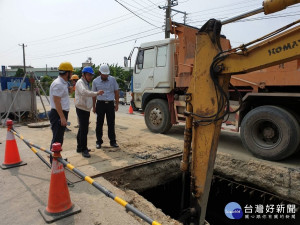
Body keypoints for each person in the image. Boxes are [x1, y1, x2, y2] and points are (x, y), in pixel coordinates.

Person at [75, 66, 104, 158]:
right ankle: (84, 149)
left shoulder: (86, 83)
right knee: (84, 130)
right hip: (81, 109)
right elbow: (84, 92)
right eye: (88, 75)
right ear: (83, 75)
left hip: (85, 109)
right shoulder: (80, 82)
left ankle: (79, 147)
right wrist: (96, 93)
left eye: (91, 75)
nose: (90, 77)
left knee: (82, 129)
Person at [49, 62, 73, 164]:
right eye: (71, 72)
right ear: (67, 73)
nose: (72, 74)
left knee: (59, 138)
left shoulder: (63, 83)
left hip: (60, 113)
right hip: (58, 113)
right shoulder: (58, 84)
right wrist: (62, 117)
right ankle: (54, 161)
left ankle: (57, 158)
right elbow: (57, 102)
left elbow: (61, 97)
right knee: (57, 139)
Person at [92, 64, 119, 149]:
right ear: (100, 73)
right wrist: (94, 106)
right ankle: (99, 141)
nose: (105, 76)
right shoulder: (95, 81)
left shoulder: (112, 80)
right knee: (99, 124)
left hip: (110, 104)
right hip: (100, 104)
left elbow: (116, 92)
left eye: (107, 74)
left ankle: (113, 141)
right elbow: (93, 95)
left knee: (111, 123)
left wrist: (117, 104)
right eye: (104, 74)